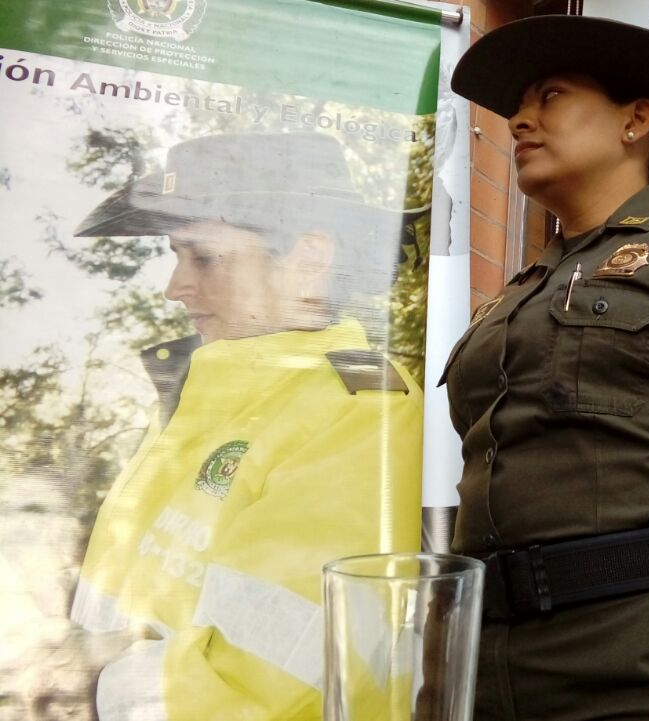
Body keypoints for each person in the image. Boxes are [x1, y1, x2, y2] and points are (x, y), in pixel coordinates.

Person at [444, 15, 649, 720]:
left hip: (637, 660)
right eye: (517, 109)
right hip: (475, 662)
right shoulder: (509, 296)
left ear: (637, 119)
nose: (518, 121)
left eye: (550, 96)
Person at [68, 132, 424, 721]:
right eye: (174, 257)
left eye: (203, 256)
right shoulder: (209, 391)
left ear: (310, 258)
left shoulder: (360, 411)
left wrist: (73, 691)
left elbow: (263, 680)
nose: (175, 288)